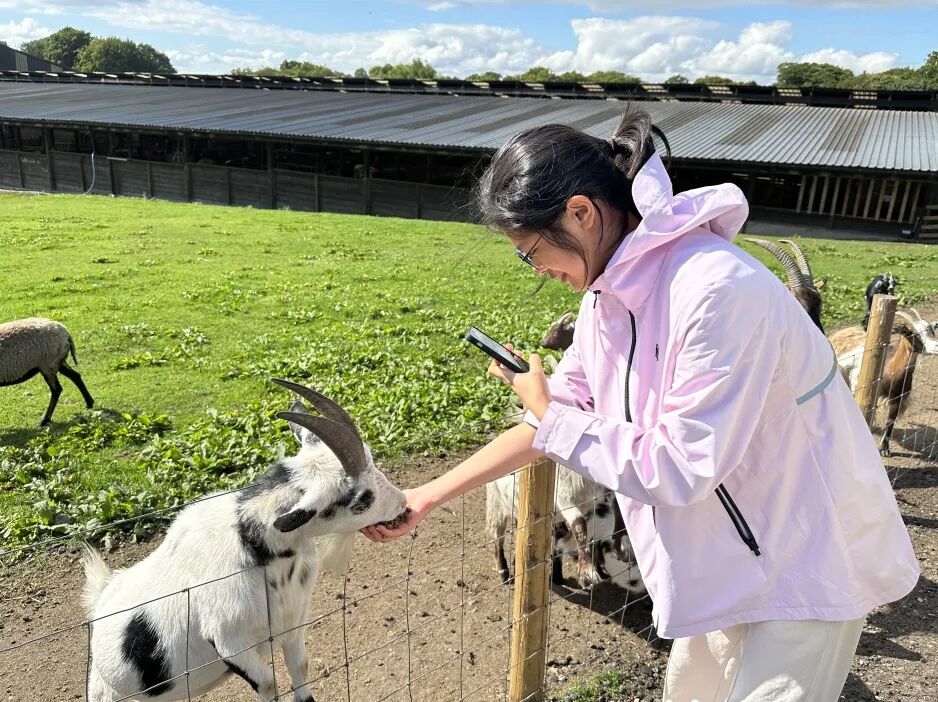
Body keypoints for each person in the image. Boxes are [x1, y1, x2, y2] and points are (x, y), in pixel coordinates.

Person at [361, 105, 919, 701]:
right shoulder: (606, 302)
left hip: (807, 558)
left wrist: (553, 415)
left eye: (529, 252)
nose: (537, 270)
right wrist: (427, 496)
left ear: (581, 212)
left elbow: (678, 466)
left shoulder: (716, 291)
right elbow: (548, 422)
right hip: (722, 554)